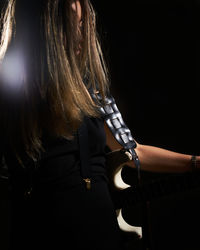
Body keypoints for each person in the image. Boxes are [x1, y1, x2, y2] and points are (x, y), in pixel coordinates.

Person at [0, 0, 199, 250]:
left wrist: (194, 162)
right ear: (43, 25)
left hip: (100, 233)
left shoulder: (91, 90)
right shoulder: (12, 88)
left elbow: (132, 150)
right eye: (73, 21)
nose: (82, 33)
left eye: (83, 23)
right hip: (43, 235)